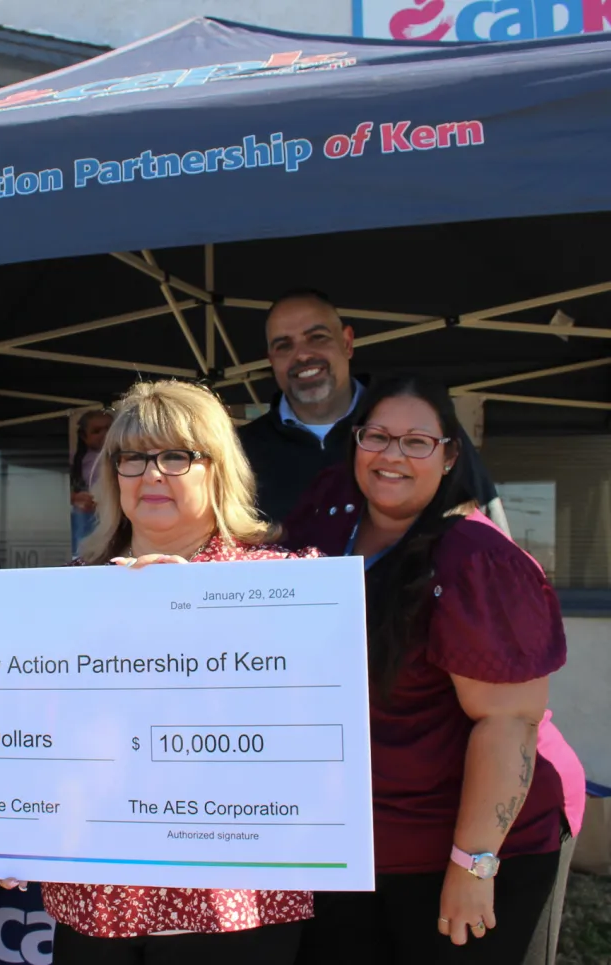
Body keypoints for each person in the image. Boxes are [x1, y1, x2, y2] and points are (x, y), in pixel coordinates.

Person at [281, 375, 584, 965]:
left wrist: (473, 865)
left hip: (477, 841)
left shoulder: (477, 559)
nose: (393, 455)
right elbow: (256, 574)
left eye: (417, 442)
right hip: (358, 843)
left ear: (448, 456)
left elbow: (509, 723)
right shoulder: (328, 512)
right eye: (378, 436)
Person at [36, 379, 318, 965]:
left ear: (218, 468)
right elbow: (31, 730)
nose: (151, 473)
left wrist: (194, 611)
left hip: (231, 905)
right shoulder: (64, 592)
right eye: (132, 457)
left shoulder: (286, 585)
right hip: (97, 899)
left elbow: (310, 726)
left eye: (175, 455)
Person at [237, 290, 507, 530]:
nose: (302, 355)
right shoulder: (239, 452)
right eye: (284, 345)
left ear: (347, 342)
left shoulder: (423, 429)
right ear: (271, 360)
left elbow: (489, 535)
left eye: (317, 337)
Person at [70, 408, 113, 554]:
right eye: (96, 431)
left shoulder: (119, 456)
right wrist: (75, 498)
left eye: (109, 428)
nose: (104, 434)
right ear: (84, 436)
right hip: (88, 513)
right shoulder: (78, 460)